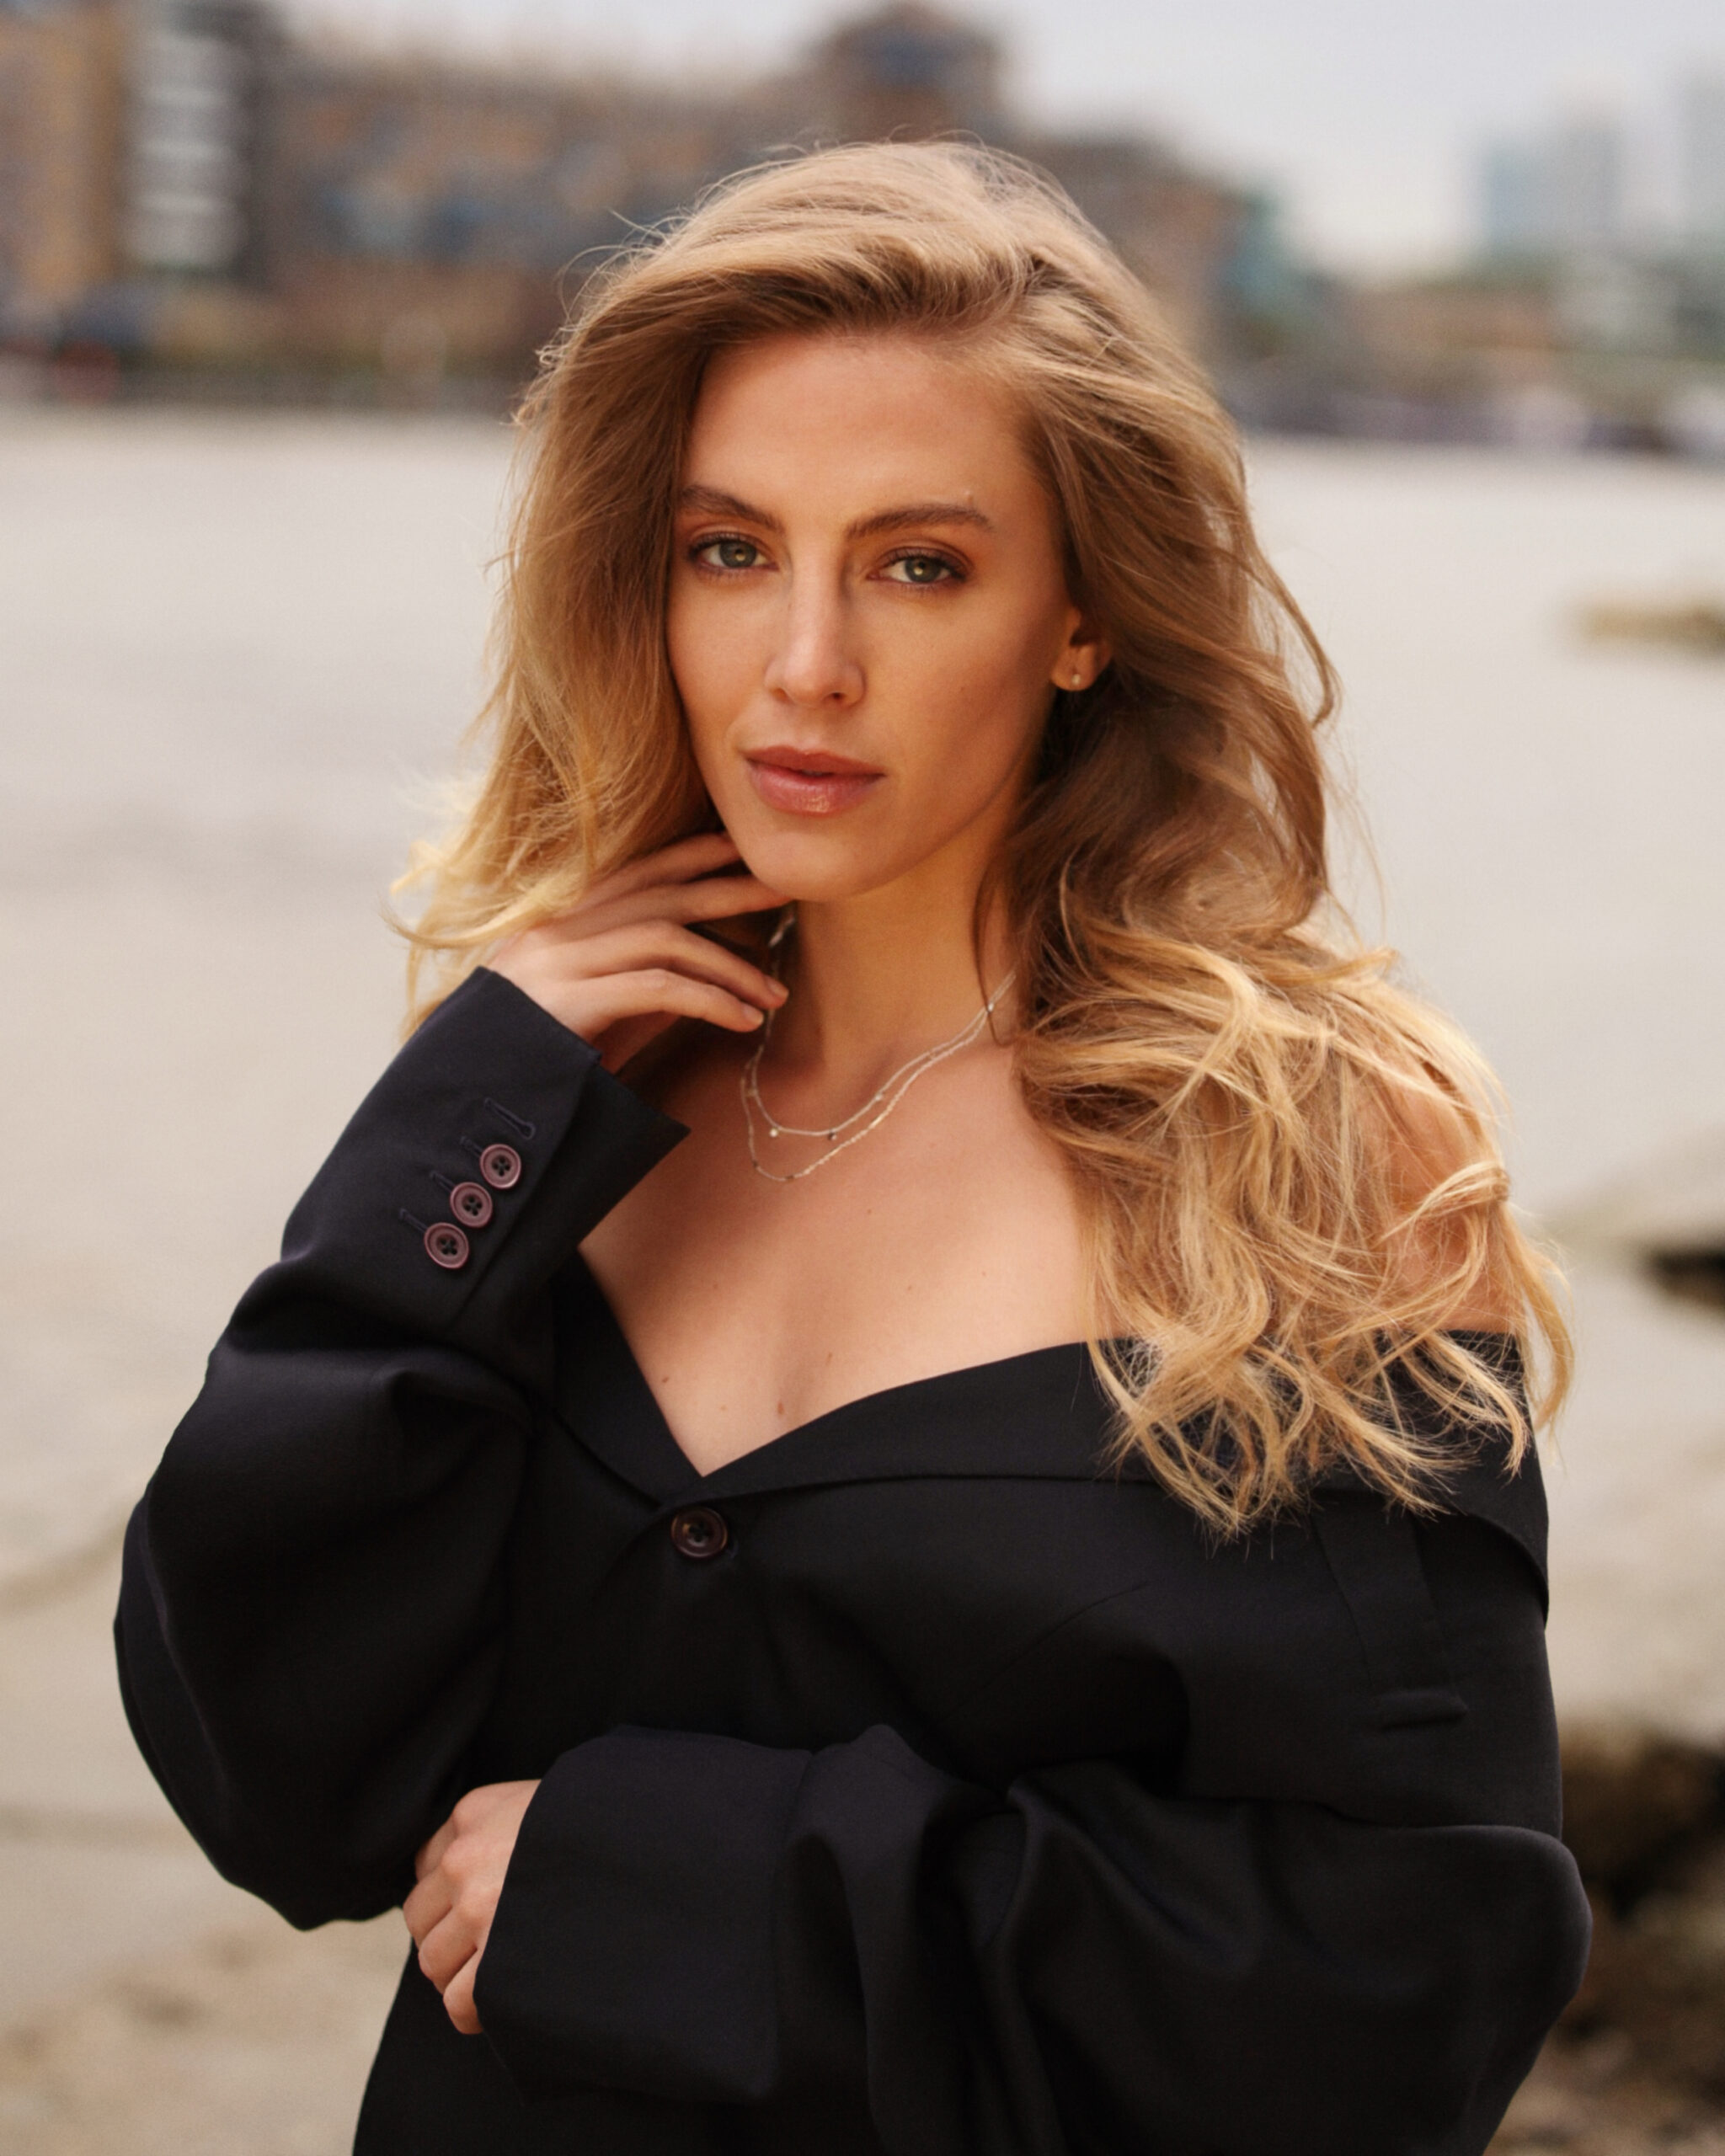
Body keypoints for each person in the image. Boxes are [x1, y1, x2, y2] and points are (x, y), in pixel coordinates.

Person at [115, 143, 1591, 2154]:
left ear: (1079, 617)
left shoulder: (1308, 1161)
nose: (803, 663)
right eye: (731, 550)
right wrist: (454, 1129)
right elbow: (270, 1774)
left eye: (917, 566)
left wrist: (688, 1893)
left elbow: (1406, 1986)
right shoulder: (544, 1112)